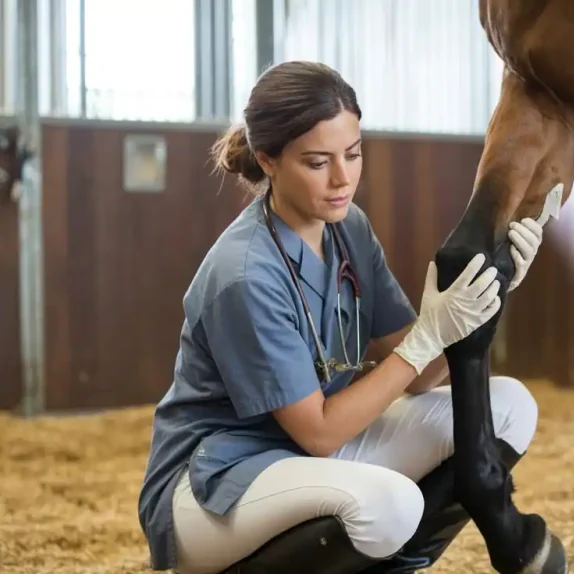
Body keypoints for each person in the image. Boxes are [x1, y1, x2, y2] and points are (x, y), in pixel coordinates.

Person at [136, 60, 547, 574]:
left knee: (509, 406)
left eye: (353, 154)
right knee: (390, 505)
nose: (342, 178)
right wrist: (425, 337)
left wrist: (491, 292)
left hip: (314, 459)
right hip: (217, 482)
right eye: (317, 162)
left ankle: (391, 565)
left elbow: (421, 377)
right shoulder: (244, 274)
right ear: (267, 160)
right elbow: (321, 433)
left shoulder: (347, 227)